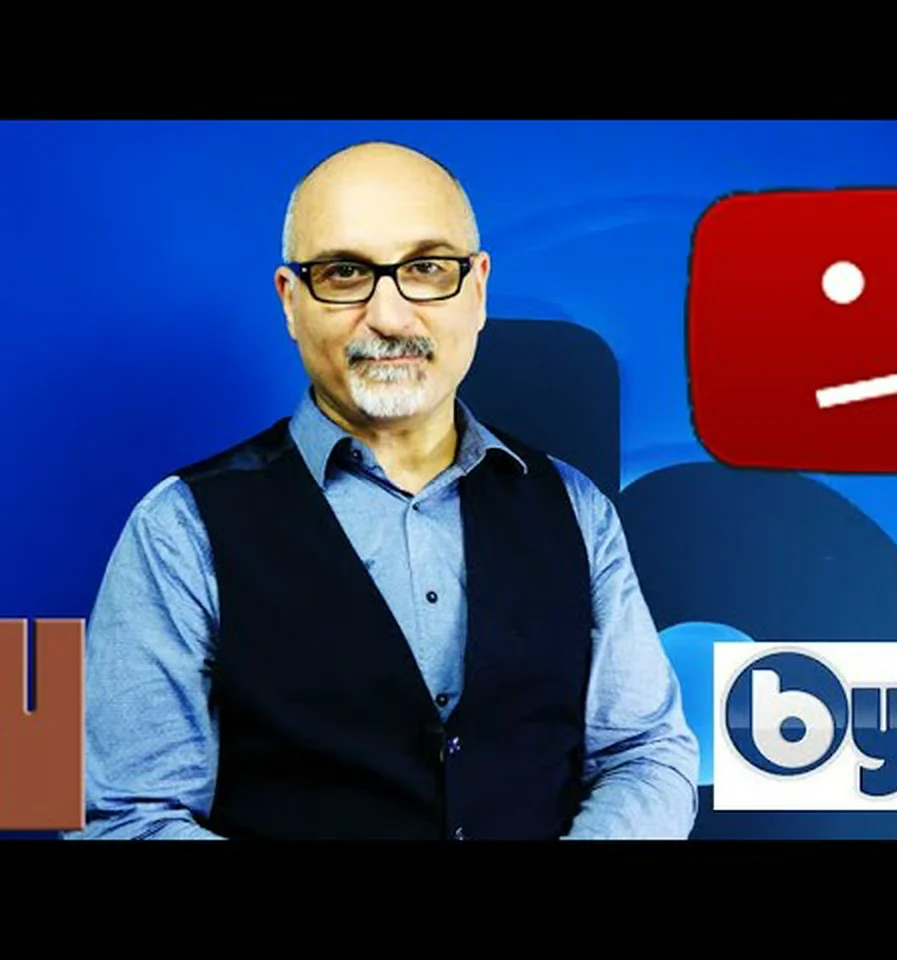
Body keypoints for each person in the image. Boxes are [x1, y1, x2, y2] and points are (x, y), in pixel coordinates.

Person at [66, 141, 699, 840]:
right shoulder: (181, 529)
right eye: (344, 273)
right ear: (291, 302)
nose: (391, 318)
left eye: (427, 268)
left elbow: (646, 753)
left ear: (478, 290)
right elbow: (125, 815)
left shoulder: (576, 511)